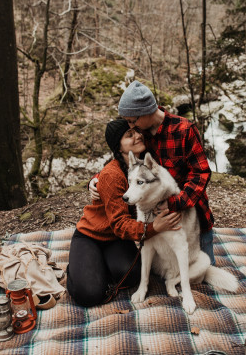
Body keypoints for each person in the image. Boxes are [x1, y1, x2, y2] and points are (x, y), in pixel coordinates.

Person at [90, 81, 215, 266]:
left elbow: (201, 173)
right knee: (165, 270)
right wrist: (97, 179)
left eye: (133, 121)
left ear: (147, 110)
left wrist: (174, 203)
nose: (132, 127)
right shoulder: (141, 136)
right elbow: (125, 161)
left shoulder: (184, 129)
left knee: (203, 271)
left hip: (192, 216)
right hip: (157, 218)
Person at [67, 119, 181, 307]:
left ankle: (97, 265)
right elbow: (120, 224)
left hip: (117, 238)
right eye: (129, 135)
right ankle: (77, 268)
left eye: (136, 131)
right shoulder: (112, 174)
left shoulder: (146, 162)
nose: (137, 136)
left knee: (132, 276)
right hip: (92, 235)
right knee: (90, 294)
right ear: (118, 147)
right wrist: (154, 227)